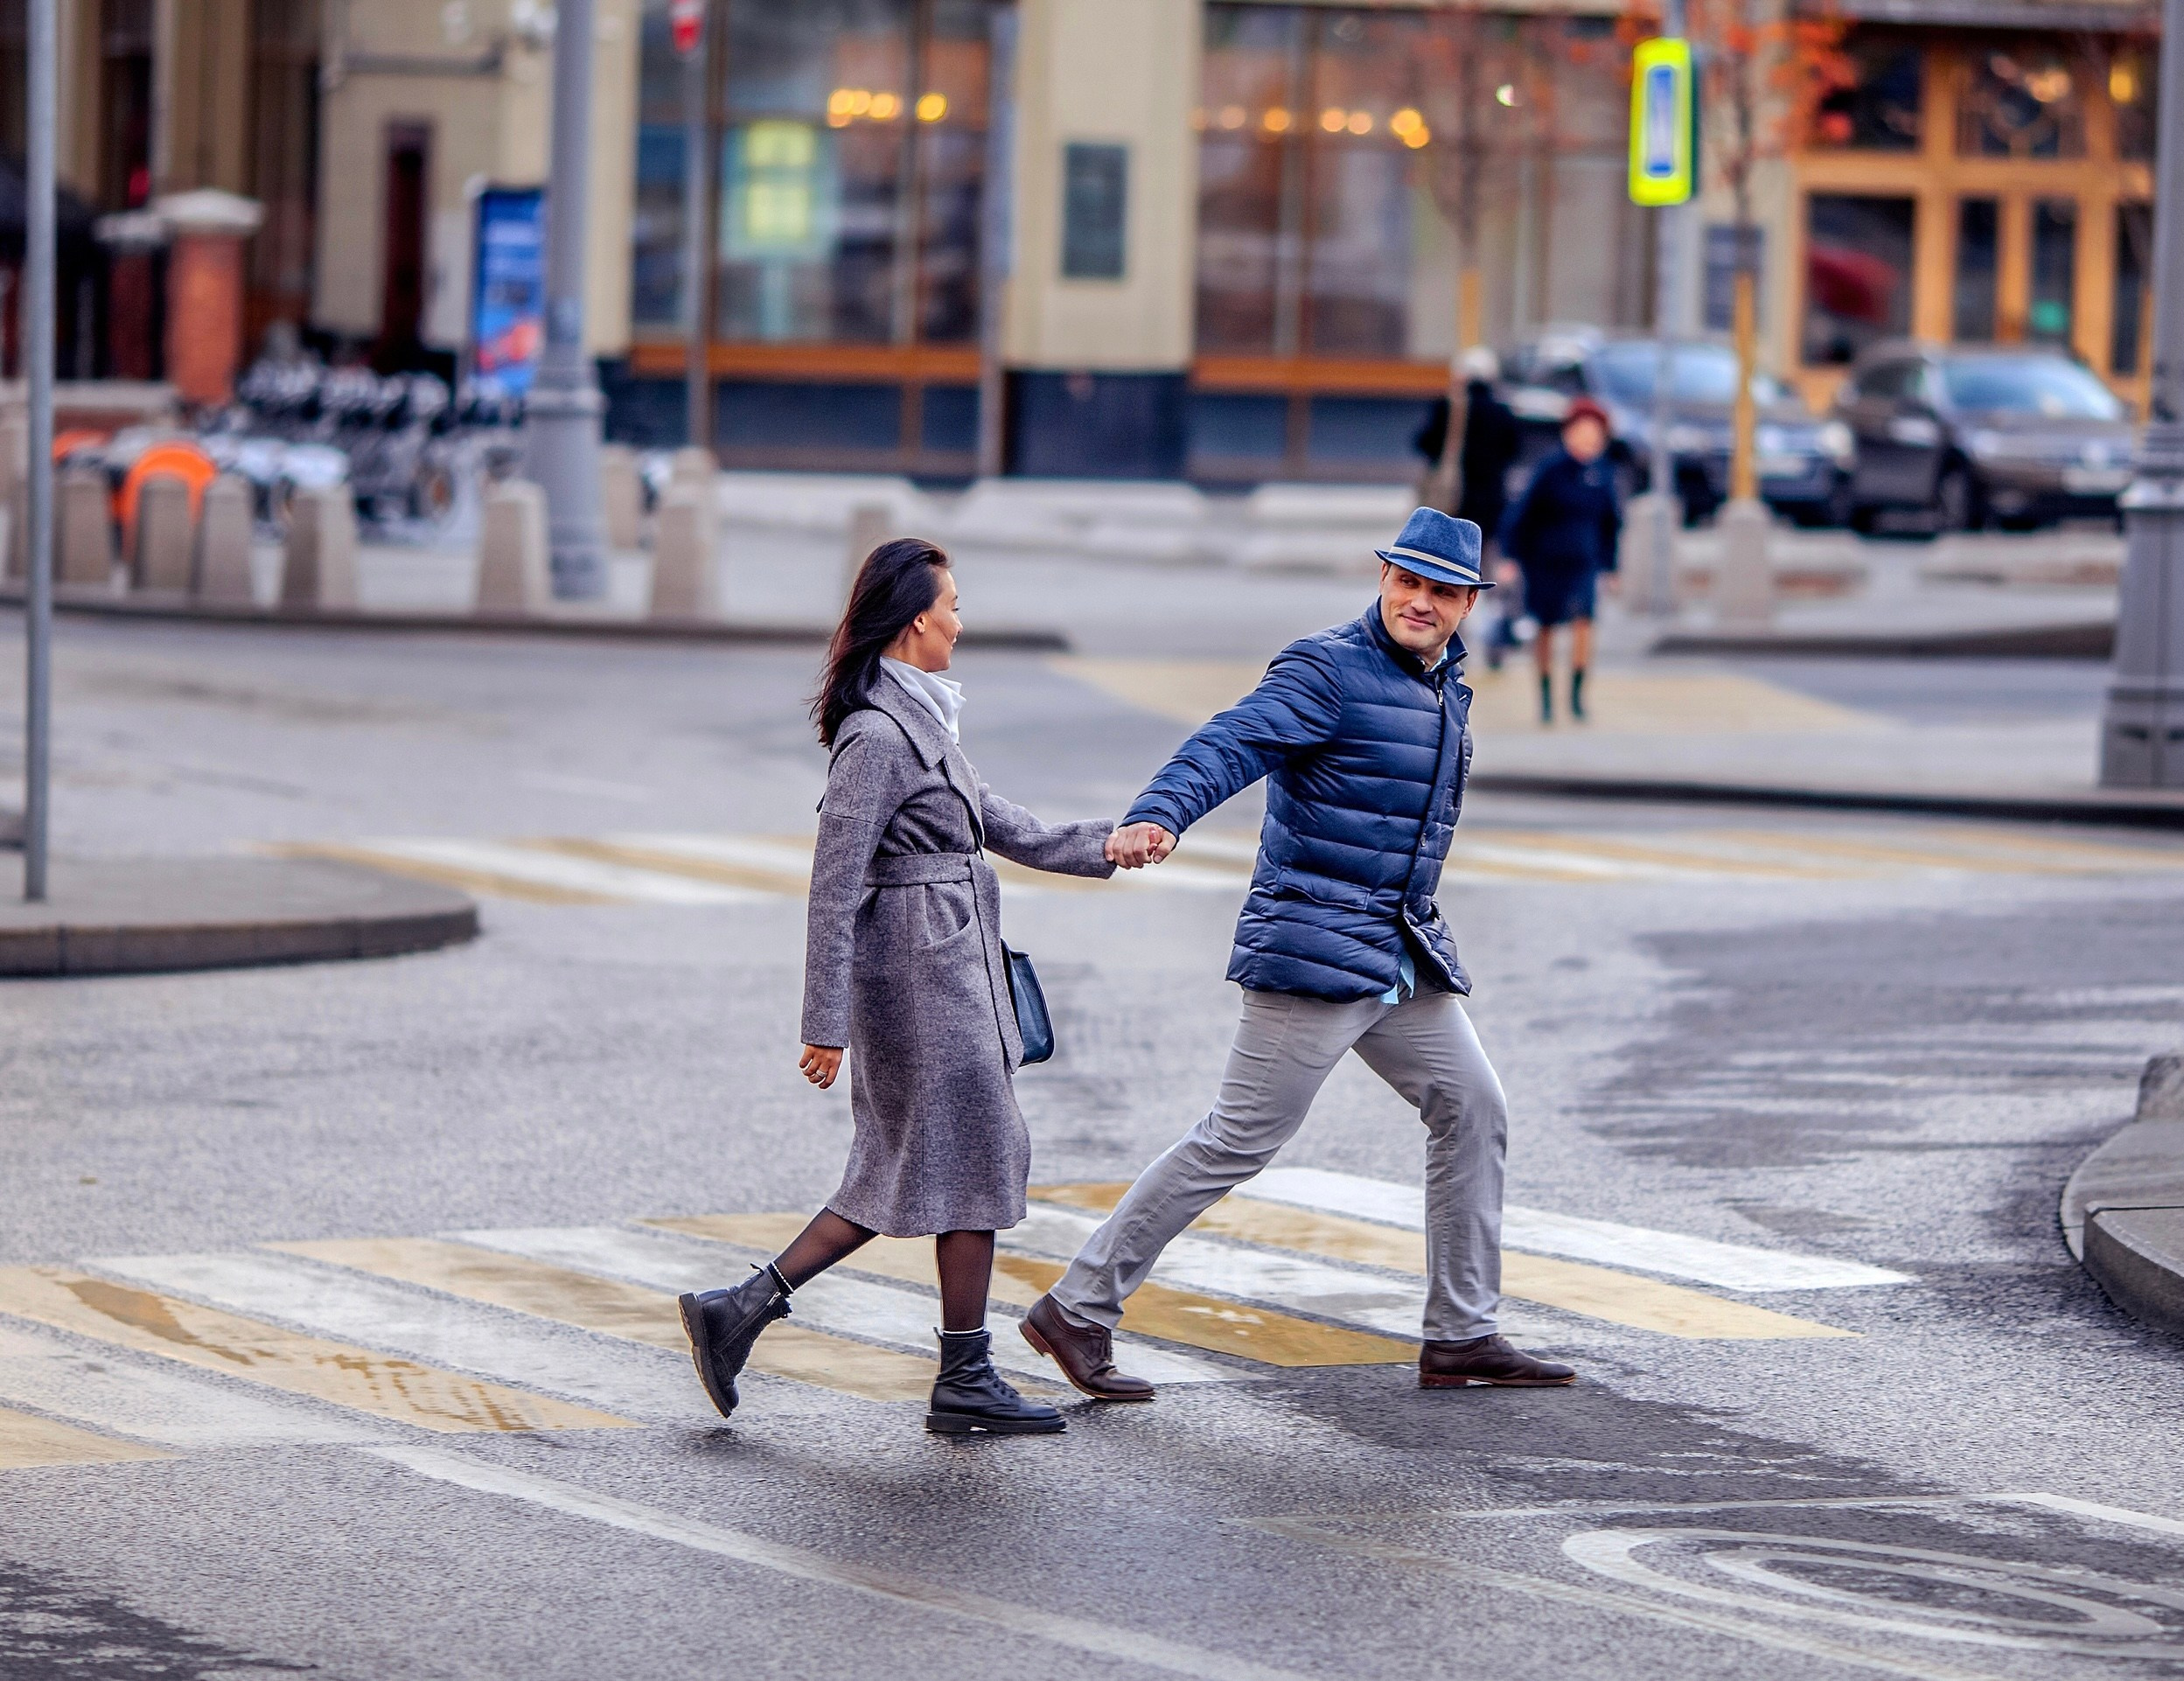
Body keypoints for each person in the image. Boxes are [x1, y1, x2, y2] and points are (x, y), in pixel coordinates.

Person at [1016, 508, 1577, 1402]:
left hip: (1394, 950)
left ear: (1470, 602)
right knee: (1234, 1140)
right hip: (1313, 950)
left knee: (1474, 1105)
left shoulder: (1441, 684)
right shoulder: (1327, 668)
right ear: (1383, 577)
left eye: (1441, 590)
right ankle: (1077, 1307)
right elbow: (1231, 738)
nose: (1419, 601)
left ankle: (1461, 1332)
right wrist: (1161, 810)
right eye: (1407, 581)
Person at [679, 538, 1125, 1438]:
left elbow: (1000, 824)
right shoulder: (878, 736)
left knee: (912, 1170)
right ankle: (962, 1374)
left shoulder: (923, 719)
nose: (961, 618)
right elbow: (833, 884)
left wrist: (1107, 844)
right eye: (953, 602)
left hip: (949, 969)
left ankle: (740, 1311)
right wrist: (824, 1023)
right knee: (966, 1159)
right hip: (921, 986)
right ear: (918, 618)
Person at [1498, 395, 1622, 724]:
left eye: (1595, 434)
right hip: (1545, 562)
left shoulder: (1603, 474)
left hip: (1584, 562)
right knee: (1546, 628)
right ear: (1568, 432)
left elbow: (1611, 523)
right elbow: (1520, 514)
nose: (1589, 439)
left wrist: (1611, 566)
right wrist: (1510, 557)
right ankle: (1546, 699)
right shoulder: (1550, 469)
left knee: (1584, 624)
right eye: (1582, 431)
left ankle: (1578, 697)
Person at [1416, 351, 1523, 668]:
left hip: (1454, 509)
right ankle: (1497, 639)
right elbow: (1514, 451)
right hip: (1492, 511)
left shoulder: (1450, 408)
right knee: (1489, 579)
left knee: (1451, 578)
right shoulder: (1503, 412)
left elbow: (1424, 444)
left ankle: (1450, 647)